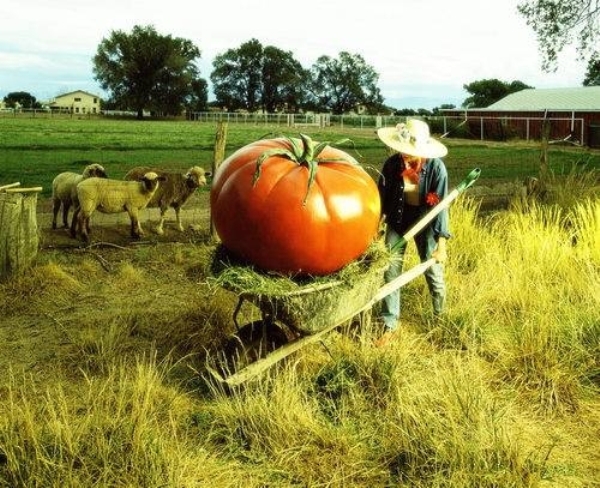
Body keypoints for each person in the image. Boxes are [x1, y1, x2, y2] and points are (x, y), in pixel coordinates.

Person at [374, 118, 451, 347]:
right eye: (402, 151)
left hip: (424, 224)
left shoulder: (437, 169)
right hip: (398, 223)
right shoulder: (392, 165)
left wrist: (442, 245)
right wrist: (376, 226)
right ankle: (390, 325)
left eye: (409, 152)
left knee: (433, 272)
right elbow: (381, 199)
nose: (405, 155)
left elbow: (440, 208)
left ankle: (441, 319)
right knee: (390, 272)